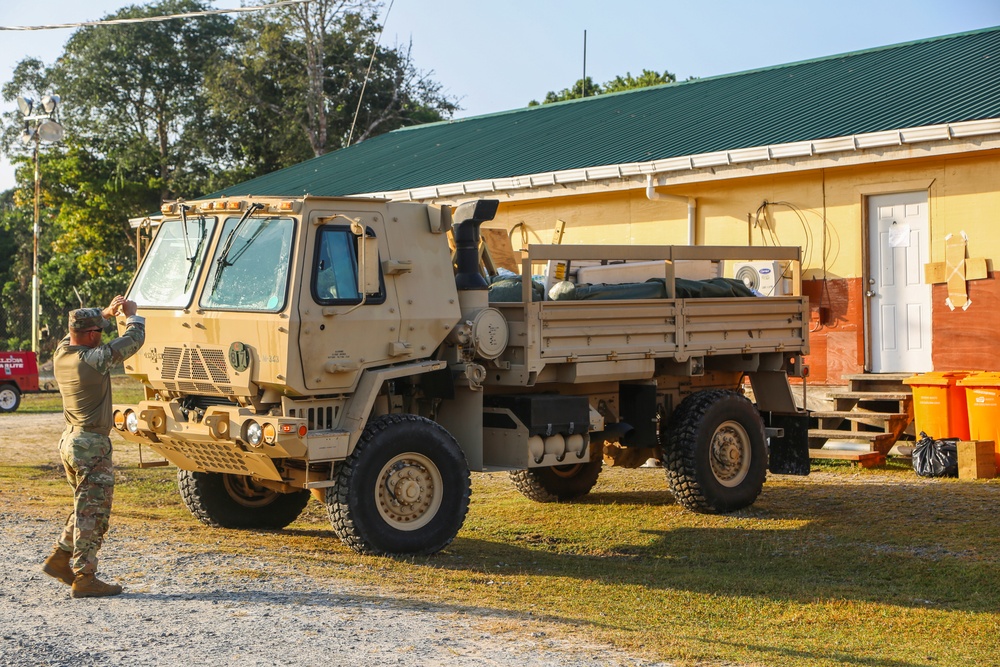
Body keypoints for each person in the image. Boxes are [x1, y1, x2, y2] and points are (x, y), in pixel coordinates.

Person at [42, 296, 145, 598]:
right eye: (99, 331)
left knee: (83, 506)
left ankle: (61, 558)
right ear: (89, 336)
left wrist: (104, 313)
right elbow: (133, 340)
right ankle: (85, 577)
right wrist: (132, 315)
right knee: (94, 513)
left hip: (71, 441)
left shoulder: (63, 352)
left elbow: (79, 329)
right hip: (91, 445)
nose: (102, 335)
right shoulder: (92, 359)